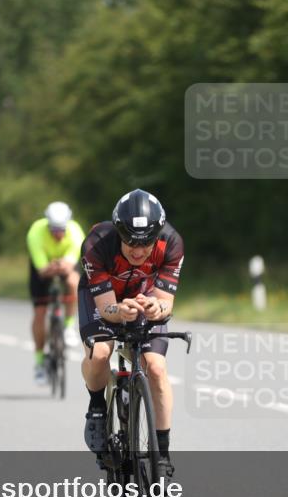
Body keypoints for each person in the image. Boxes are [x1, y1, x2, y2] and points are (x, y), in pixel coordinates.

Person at [79, 189, 183, 478]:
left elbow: (166, 303)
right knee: (100, 352)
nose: (138, 252)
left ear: (157, 236)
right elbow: (106, 307)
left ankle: (162, 451)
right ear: (119, 234)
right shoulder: (98, 243)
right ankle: (97, 407)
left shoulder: (172, 243)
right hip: (102, 297)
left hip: (143, 294)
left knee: (156, 367)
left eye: (146, 244)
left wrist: (156, 307)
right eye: (130, 244)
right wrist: (119, 310)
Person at [26, 201, 86, 385]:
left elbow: (70, 265)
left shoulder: (76, 232)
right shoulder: (35, 232)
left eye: (61, 230)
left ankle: (68, 326)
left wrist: (60, 266)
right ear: (47, 225)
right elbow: (42, 270)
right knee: (40, 313)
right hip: (42, 269)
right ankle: (39, 362)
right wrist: (52, 267)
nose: (58, 234)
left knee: (73, 281)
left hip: (63, 266)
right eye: (54, 230)